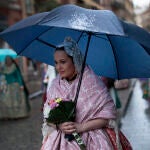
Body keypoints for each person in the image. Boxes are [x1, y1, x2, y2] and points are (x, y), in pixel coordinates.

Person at [41, 37, 131, 150]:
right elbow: (47, 116)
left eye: (63, 62)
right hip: (59, 141)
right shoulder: (55, 85)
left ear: (75, 60)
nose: (58, 67)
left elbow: (108, 115)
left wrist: (81, 127)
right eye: (56, 62)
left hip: (93, 140)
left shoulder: (92, 83)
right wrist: (59, 125)